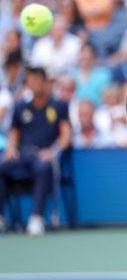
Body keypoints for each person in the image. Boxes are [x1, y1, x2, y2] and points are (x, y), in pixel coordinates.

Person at [0, 66, 72, 235]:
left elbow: (66, 136)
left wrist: (52, 151)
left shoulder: (59, 106)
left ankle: (36, 218)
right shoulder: (20, 107)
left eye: (36, 79)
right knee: (1, 165)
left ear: (46, 82)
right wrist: (10, 148)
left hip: (44, 157)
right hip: (24, 156)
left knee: (43, 166)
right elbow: (14, 133)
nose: (33, 83)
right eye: (29, 80)